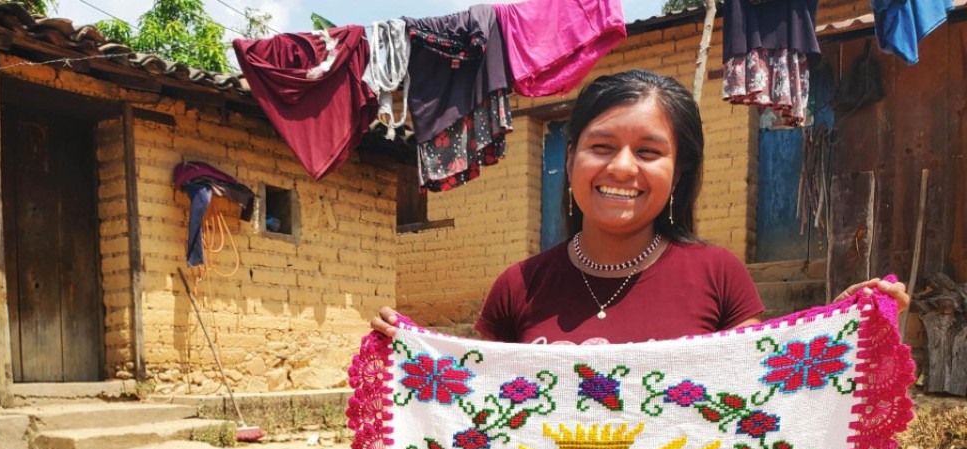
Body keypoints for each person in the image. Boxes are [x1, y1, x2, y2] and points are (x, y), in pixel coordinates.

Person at [371, 69, 909, 343]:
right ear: (574, 156)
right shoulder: (518, 286)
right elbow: (471, 403)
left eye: (649, 152)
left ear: (680, 172)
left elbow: (765, 382)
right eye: (601, 146)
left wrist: (834, 325)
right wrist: (416, 350)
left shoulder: (718, 276)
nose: (623, 168)